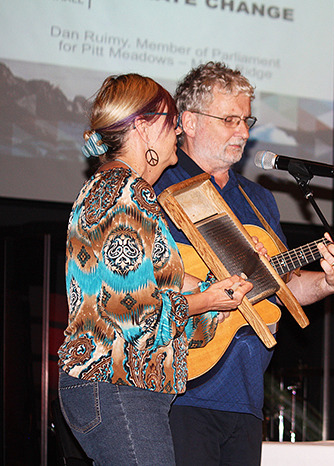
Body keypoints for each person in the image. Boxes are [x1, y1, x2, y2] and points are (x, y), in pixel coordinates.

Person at [153, 61, 334, 465]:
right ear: (188, 121)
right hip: (181, 390)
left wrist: (330, 282)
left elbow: (280, 284)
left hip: (246, 399)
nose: (243, 132)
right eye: (229, 119)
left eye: (246, 120)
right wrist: (213, 282)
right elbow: (145, 279)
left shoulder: (259, 201)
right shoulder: (158, 187)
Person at [57, 74, 257, 465]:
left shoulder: (118, 190)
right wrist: (204, 300)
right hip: (117, 382)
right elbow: (135, 313)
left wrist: (206, 294)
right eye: (171, 120)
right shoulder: (126, 192)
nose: (179, 129)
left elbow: (145, 288)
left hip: (118, 385)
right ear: (145, 128)